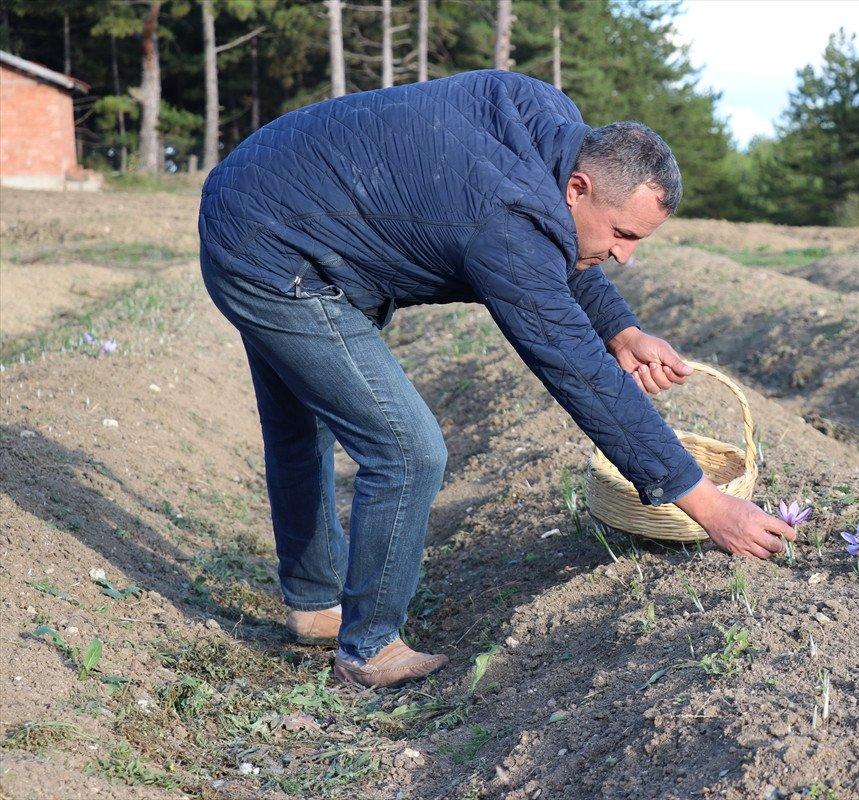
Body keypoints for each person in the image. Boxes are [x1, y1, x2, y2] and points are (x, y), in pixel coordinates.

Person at [198, 70, 795, 689]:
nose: (626, 256)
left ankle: (317, 601)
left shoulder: (549, 124)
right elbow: (578, 372)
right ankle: (368, 647)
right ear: (579, 186)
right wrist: (707, 504)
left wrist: (623, 332)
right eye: (622, 235)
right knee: (407, 450)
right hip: (272, 252)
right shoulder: (504, 211)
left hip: (260, 195)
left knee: (305, 423)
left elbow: (552, 246)